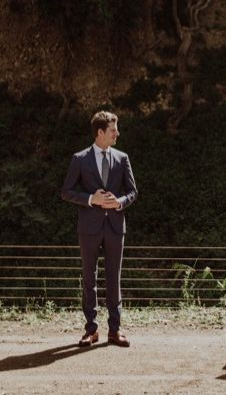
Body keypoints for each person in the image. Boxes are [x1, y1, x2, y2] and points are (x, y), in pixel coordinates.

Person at [61, 110, 138, 347]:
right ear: (100, 132)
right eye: (113, 130)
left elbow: (133, 191)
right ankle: (91, 330)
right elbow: (66, 192)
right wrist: (90, 199)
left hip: (115, 226)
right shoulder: (79, 159)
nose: (118, 133)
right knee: (89, 278)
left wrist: (120, 202)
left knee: (114, 278)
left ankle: (115, 330)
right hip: (89, 228)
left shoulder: (123, 158)